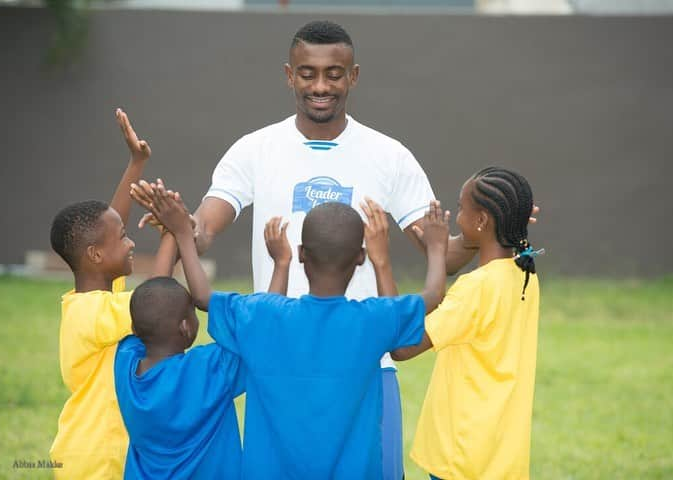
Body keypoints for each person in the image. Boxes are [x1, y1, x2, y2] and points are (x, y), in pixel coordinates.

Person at [132, 20, 482, 480]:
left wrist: (489, 230)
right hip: (277, 365)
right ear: (288, 74)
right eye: (307, 73)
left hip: (364, 367)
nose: (320, 85)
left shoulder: (389, 155)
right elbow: (204, 231)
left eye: (334, 74)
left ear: (353, 76)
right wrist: (178, 225)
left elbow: (444, 253)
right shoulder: (254, 149)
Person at [143, 180, 450, 479]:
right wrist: (425, 250)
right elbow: (433, 295)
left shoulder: (264, 315)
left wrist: (184, 233)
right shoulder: (373, 320)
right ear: (360, 257)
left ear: (303, 254)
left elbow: (202, 296)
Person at [113, 208, 291, 479]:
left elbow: (151, 298)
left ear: (136, 328)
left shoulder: (125, 363)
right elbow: (263, 331)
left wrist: (173, 235)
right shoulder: (209, 370)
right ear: (186, 327)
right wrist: (281, 264)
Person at [48, 110, 177, 479]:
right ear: (96, 256)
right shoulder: (91, 314)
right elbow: (157, 300)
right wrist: (172, 235)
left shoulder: (99, 292)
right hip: (94, 458)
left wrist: (136, 163)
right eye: (124, 239)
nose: (132, 240)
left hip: (103, 451)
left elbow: (109, 220)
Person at [391, 167, 542, 480]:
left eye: (461, 209)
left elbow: (402, 348)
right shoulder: (525, 274)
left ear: (483, 220)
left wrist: (433, 250)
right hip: (500, 450)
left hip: (462, 454)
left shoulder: (476, 288)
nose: (456, 218)